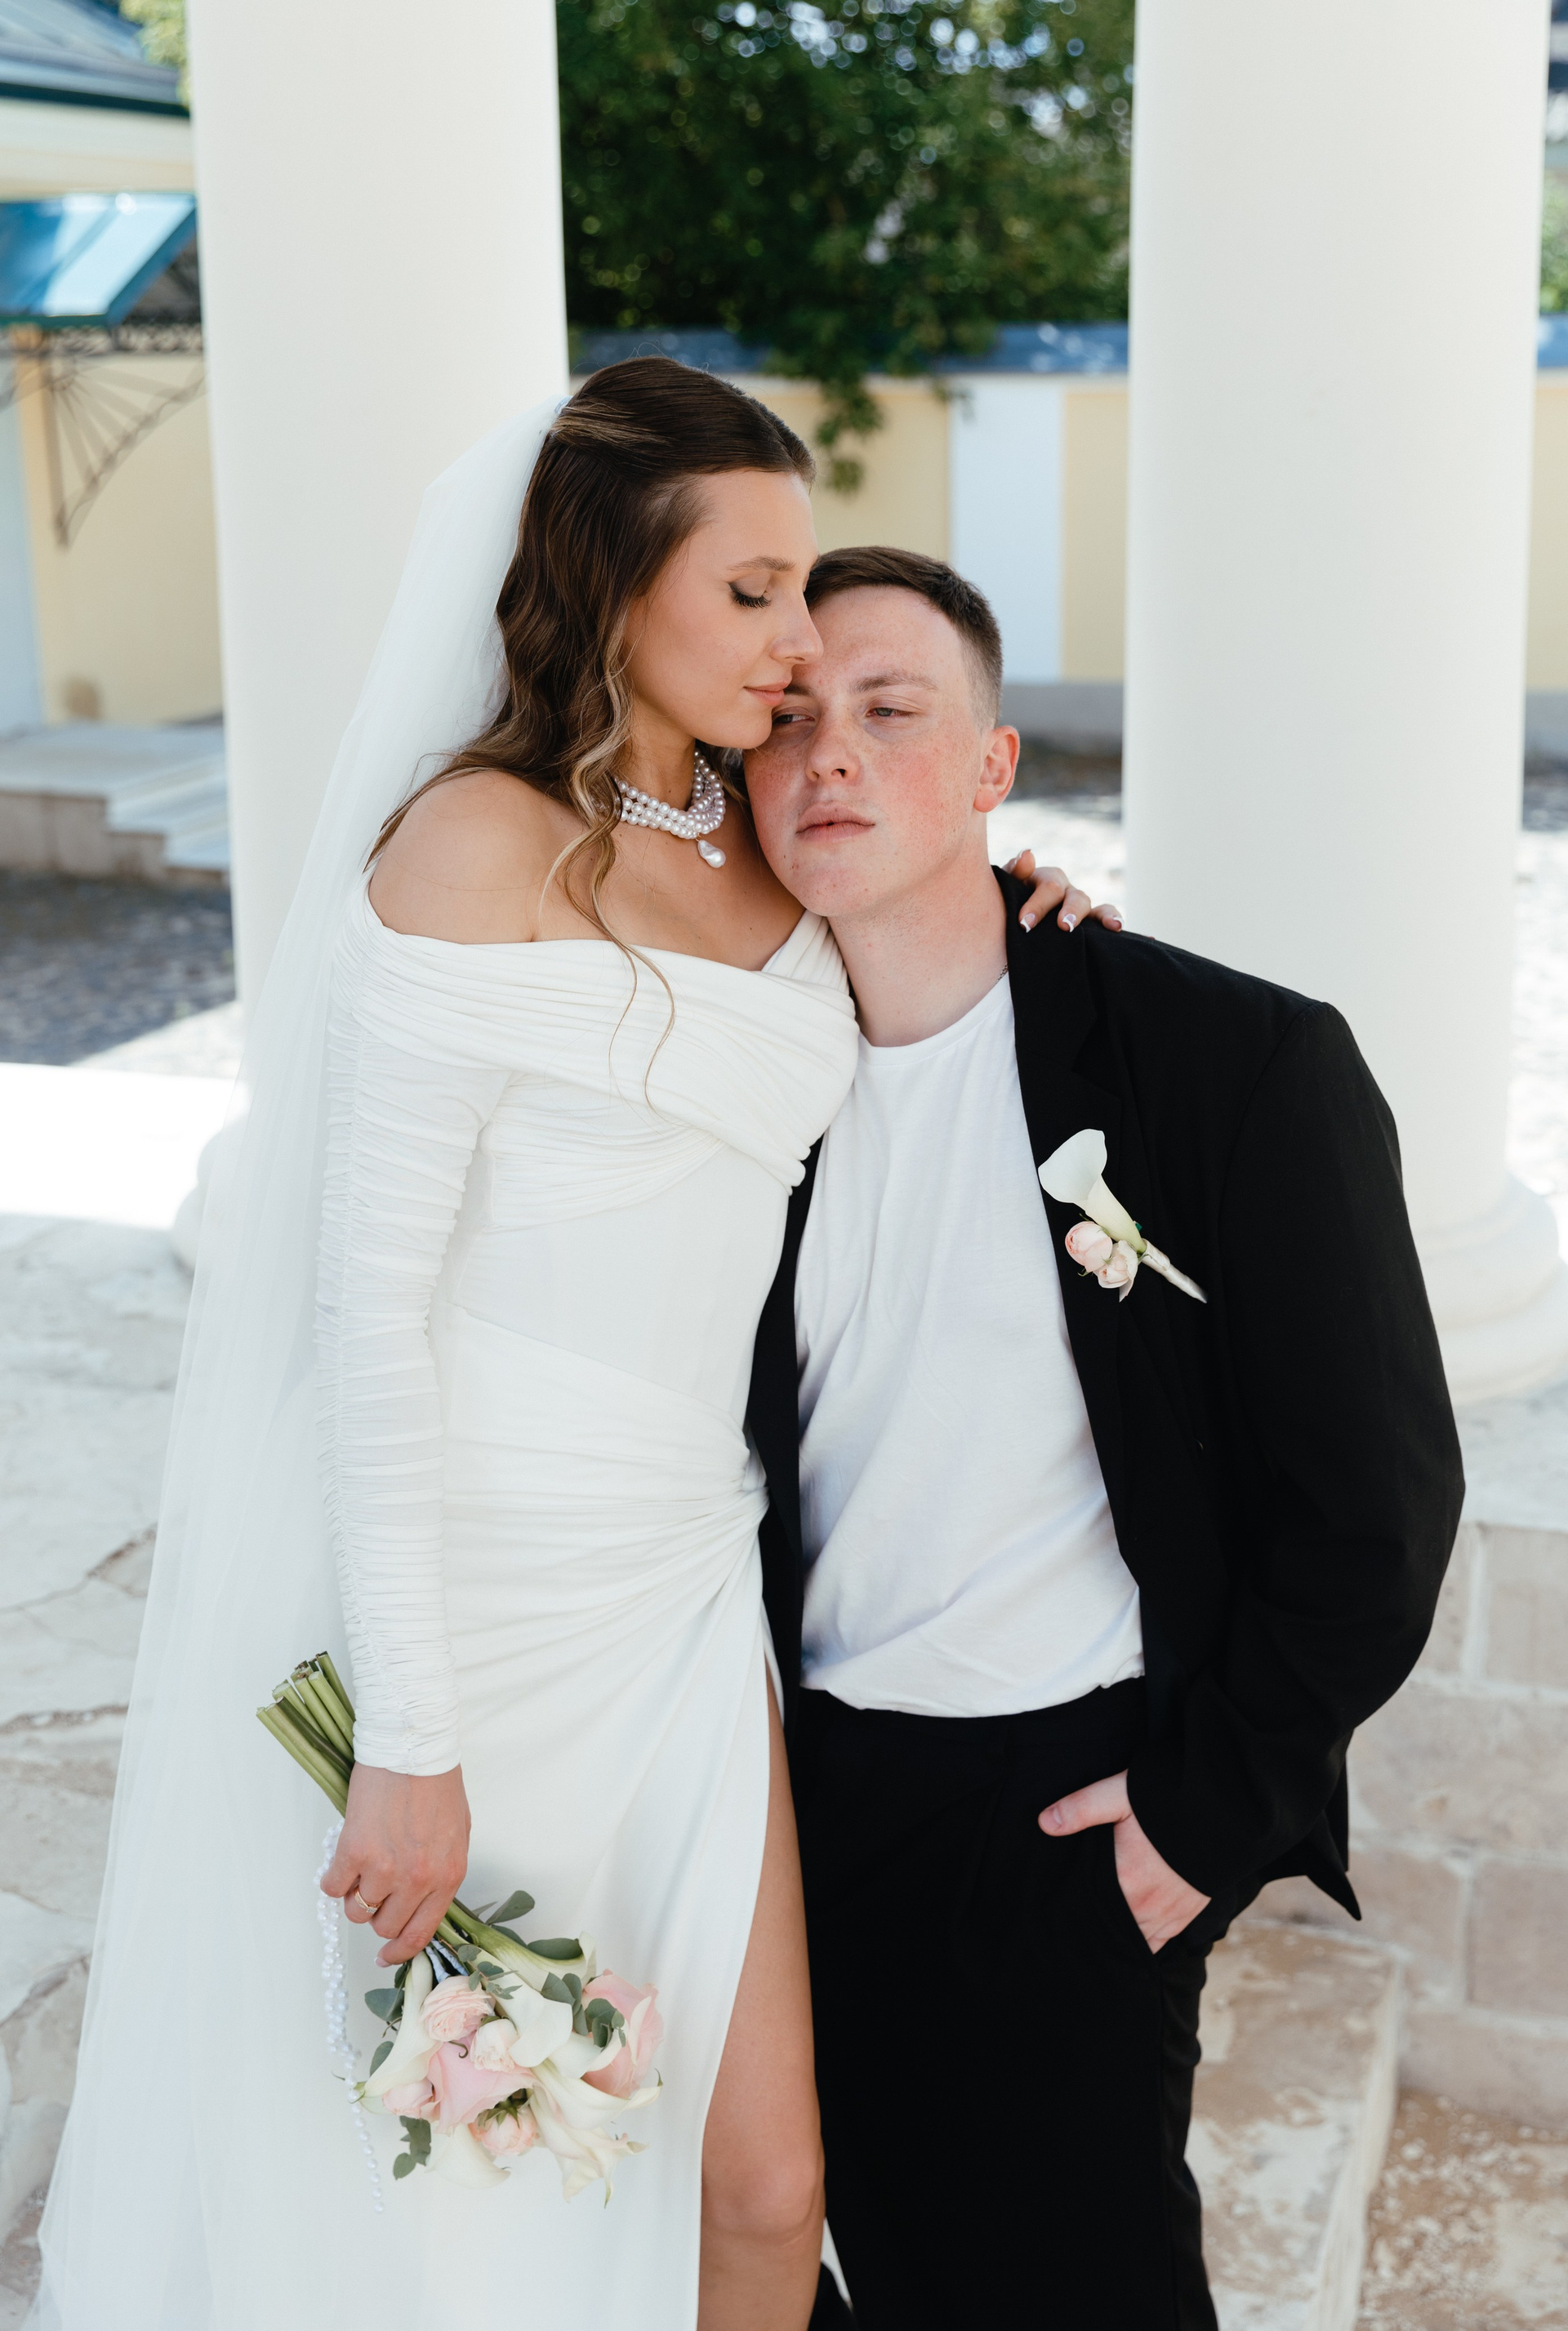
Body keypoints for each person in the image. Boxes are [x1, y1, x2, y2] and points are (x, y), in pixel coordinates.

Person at [29, 365, 1094, 2331]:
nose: (798, 647)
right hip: (476, 1583)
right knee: (477, 2200)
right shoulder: (471, 843)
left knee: (765, 2181)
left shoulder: (768, 837)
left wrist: (1010, 886)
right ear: (613, 583)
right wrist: (409, 1739)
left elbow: (902, 975)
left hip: (685, 1578)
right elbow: (371, 1314)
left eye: (802, 597)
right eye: (753, 593)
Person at [743, 547, 1465, 2331]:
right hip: (779, 1799)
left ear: (994, 765)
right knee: (783, 2265)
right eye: (791, 718)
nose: (832, 754)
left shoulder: (1227, 1060)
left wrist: (1199, 1822)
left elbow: (1375, 1506)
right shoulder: (736, 1070)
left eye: (892, 710)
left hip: (1054, 1810)